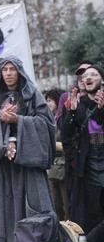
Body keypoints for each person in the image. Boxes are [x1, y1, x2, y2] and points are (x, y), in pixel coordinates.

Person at [0, 56, 56, 242]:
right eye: (4, 70)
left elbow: (46, 124)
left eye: (12, 69)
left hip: (27, 165)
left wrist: (18, 121)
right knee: (2, 212)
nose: (8, 73)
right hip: (2, 165)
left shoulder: (33, 95)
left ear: (20, 72)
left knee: (31, 208)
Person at [61, 65, 104, 242]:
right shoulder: (79, 103)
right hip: (89, 167)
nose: (89, 77)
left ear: (102, 80)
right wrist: (71, 112)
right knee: (93, 213)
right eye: (86, 76)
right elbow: (66, 135)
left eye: (94, 74)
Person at [45, 89, 68, 221]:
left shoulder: (63, 119)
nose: (47, 104)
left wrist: (52, 145)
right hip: (52, 169)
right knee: (56, 205)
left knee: (66, 205)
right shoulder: (51, 119)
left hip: (63, 168)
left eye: (50, 101)